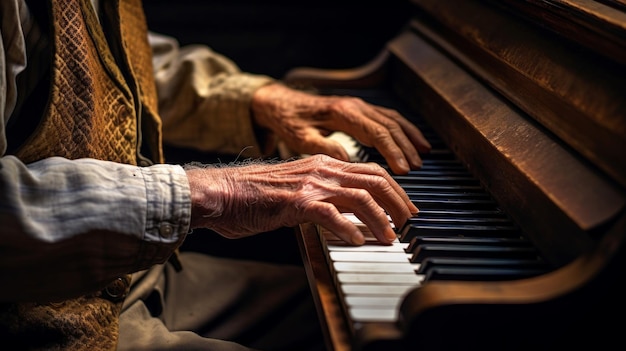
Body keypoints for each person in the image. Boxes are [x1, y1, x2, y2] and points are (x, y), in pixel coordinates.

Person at [0, 0, 431, 350]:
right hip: (38, 312)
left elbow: (124, 61)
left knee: (397, 315)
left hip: (133, 277)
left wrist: (257, 99)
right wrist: (215, 191)